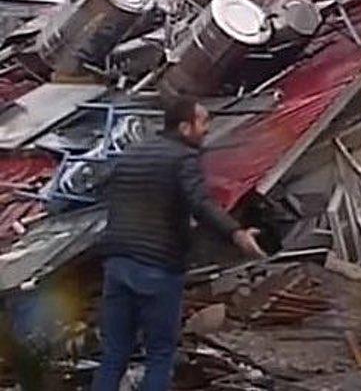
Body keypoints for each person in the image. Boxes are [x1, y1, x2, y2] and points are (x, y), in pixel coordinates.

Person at [93, 98, 267, 391]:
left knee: (114, 354)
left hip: (118, 263)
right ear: (185, 127)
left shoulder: (133, 152)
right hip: (156, 268)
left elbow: (120, 196)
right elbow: (201, 203)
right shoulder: (183, 157)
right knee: (160, 355)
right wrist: (237, 234)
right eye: (204, 123)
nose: (208, 130)